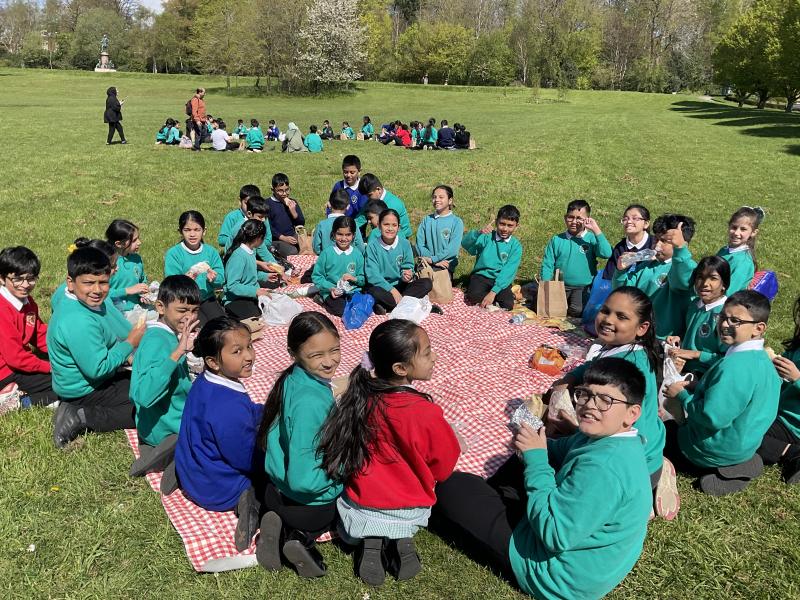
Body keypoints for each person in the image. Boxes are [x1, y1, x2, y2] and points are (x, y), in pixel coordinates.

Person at [432, 357, 652, 600]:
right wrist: (538, 445)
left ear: (632, 413)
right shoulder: (606, 436)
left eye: (605, 400)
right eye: (585, 394)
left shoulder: (605, 469)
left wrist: (536, 458)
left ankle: (493, 510)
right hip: (577, 548)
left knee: (453, 486)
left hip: (557, 574)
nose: (590, 405)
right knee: (516, 464)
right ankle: (501, 504)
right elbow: (559, 449)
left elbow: (555, 536)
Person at [318, 319, 460, 586]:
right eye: (427, 352)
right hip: (408, 507)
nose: (434, 357)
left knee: (365, 521)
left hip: (362, 504)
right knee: (402, 520)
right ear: (400, 368)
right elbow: (443, 465)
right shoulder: (425, 412)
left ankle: (372, 540)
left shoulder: (358, 399)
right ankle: (401, 539)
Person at [551, 287, 675, 513]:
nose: (608, 320)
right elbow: (593, 365)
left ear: (642, 328)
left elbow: (620, 435)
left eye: (622, 317)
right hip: (649, 448)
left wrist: (575, 432)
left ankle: (639, 498)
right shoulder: (627, 350)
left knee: (562, 467)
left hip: (635, 466)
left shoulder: (629, 366)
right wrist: (569, 378)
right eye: (605, 311)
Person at [664, 290, 781, 496]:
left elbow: (711, 418)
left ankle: (715, 470)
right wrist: (698, 386)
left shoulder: (735, 366)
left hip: (711, 449)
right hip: (744, 443)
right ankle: (741, 461)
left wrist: (681, 395)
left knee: (662, 434)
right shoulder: (762, 360)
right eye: (723, 317)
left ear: (758, 328)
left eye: (735, 321)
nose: (725, 324)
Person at [255, 312, 343, 577]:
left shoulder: (292, 378)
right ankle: (298, 536)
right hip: (307, 505)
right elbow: (304, 479)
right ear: (293, 353)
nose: (329, 361)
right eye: (317, 355)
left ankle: (273, 520)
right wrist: (342, 474)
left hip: (275, 489)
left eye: (335, 350)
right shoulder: (311, 403)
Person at [173, 317, 265, 551]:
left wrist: (265, 411)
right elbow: (245, 459)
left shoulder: (204, 381)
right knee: (273, 479)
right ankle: (248, 505)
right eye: (237, 351)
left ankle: (172, 460)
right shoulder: (229, 407)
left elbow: (244, 413)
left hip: (192, 474)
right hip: (218, 488)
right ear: (213, 361)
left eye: (249, 346)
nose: (249, 356)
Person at [48, 247, 146, 448]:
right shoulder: (78, 320)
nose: (97, 289)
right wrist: (129, 344)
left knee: (148, 385)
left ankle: (74, 409)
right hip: (84, 389)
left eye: (103, 282)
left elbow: (110, 336)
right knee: (149, 405)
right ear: (70, 282)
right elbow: (97, 369)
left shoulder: (82, 302)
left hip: (91, 381)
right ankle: (82, 415)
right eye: (88, 283)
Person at [129, 275, 200, 477]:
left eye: (194, 310)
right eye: (182, 310)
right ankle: (176, 463)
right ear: (160, 307)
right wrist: (177, 353)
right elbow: (143, 395)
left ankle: (162, 453)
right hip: (168, 425)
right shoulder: (157, 341)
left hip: (157, 423)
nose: (189, 317)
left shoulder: (165, 335)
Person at [613, 215, 697, 339]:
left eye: (664, 241)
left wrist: (680, 250)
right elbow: (624, 292)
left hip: (663, 339)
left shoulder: (686, 267)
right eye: (656, 239)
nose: (657, 245)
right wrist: (620, 271)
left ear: (681, 242)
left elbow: (682, 282)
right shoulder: (647, 265)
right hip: (636, 331)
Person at [0, 246, 56, 408]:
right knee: (69, 383)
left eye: (31, 279)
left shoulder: (27, 302)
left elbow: (39, 335)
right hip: (5, 372)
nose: (25, 285)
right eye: (17, 279)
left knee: (73, 378)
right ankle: (20, 402)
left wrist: (66, 352)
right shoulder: (2, 309)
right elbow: (16, 358)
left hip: (17, 365)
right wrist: (50, 367)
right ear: (2, 278)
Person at [540, 199, 612, 318]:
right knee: (551, 310)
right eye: (570, 217)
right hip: (560, 285)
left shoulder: (591, 239)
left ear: (587, 219)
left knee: (577, 311)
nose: (574, 222)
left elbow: (607, 253)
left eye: (579, 218)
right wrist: (546, 285)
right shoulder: (557, 240)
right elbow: (548, 263)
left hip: (582, 287)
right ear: (565, 218)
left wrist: (596, 230)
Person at [51, 239, 132, 342]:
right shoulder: (80, 301)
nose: (117, 268)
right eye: (112, 266)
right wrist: (132, 341)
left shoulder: (94, 295)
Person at [758, 294, 800, 483]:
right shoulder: (797, 348)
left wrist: (797, 378)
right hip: (779, 413)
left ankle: (792, 453)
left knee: (747, 434)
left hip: (794, 426)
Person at [665, 256, 730, 376]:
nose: (705, 284)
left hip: (706, 375)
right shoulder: (695, 304)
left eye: (713, 278)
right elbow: (692, 334)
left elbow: (727, 359)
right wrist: (680, 339)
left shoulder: (726, 315)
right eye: (700, 277)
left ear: (724, 284)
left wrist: (695, 354)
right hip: (683, 368)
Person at [164, 211, 226, 326]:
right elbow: (171, 284)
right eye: (187, 230)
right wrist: (184, 281)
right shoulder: (174, 254)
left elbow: (221, 279)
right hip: (185, 301)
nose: (192, 234)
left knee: (222, 325)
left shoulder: (211, 252)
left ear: (204, 231)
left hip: (207, 298)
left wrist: (213, 278)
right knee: (200, 328)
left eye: (197, 230)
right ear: (180, 231)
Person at [365, 209, 432, 315]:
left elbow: (408, 265)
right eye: (386, 224)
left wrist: (407, 274)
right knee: (373, 291)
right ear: (379, 226)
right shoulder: (372, 246)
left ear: (399, 227)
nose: (390, 228)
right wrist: (392, 290)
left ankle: (390, 305)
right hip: (383, 287)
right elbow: (373, 275)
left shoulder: (405, 244)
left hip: (401, 285)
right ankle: (405, 304)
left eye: (394, 225)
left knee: (427, 283)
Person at [462, 205, 523, 310]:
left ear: (516, 226)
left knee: (508, 304)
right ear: (496, 222)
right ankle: (491, 301)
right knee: (472, 296)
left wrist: (493, 292)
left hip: (500, 279)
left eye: (510, 226)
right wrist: (478, 233)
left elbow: (508, 271)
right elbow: (465, 244)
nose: (505, 229)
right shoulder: (487, 237)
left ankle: (492, 298)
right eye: (502, 224)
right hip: (482, 276)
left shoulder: (516, 246)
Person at [311, 216, 366, 317]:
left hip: (352, 291)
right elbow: (317, 276)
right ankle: (322, 299)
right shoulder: (326, 253)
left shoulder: (357, 254)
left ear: (353, 235)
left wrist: (354, 278)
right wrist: (330, 288)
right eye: (340, 234)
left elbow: (363, 278)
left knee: (362, 307)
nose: (344, 238)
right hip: (332, 292)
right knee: (341, 310)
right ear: (333, 234)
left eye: (348, 235)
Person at [106, 219, 156, 323]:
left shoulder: (136, 259)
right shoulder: (108, 264)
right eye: (134, 240)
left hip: (138, 307)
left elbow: (142, 280)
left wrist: (144, 293)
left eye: (138, 238)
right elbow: (103, 294)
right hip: (118, 312)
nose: (139, 242)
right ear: (119, 244)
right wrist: (127, 290)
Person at [222, 220, 273, 320]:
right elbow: (232, 285)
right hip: (235, 299)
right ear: (259, 238)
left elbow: (249, 273)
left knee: (271, 310)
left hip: (249, 296)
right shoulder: (238, 256)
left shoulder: (250, 251)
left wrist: (265, 276)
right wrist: (256, 291)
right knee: (256, 320)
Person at [416, 185, 464, 278]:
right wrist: (432, 260)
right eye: (434, 197)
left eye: (441, 197)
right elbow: (419, 244)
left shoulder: (457, 222)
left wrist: (434, 259)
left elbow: (452, 249)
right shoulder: (426, 220)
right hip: (426, 263)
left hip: (444, 266)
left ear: (450, 200)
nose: (437, 200)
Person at [601, 204, 655, 280]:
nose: (629, 221)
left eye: (635, 218)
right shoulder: (619, 248)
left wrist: (636, 257)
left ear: (646, 224)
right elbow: (610, 278)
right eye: (625, 219)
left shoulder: (656, 243)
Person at [717, 206, 763, 294]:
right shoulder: (724, 250)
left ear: (753, 232)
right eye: (734, 227)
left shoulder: (743, 262)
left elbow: (729, 294)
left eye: (743, 229)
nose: (736, 233)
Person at [358, 174, 412, 239]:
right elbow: (359, 220)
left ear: (378, 190)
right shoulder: (372, 201)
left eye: (369, 195)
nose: (367, 198)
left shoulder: (393, 205)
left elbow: (389, 233)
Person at [313, 190, 365, 255]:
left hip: (328, 260)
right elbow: (361, 248)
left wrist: (324, 255)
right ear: (348, 206)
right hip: (349, 259)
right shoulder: (352, 224)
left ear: (329, 204)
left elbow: (316, 248)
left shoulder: (321, 225)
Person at [268, 173, 306, 256]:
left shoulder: (292, 202)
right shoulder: (268, 204)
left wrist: (294, 213)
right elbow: (269, 227)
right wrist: (284, 238)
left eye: (287, 190)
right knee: (292, 251)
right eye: (280, 191)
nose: (284, 193)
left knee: (309, 244)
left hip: (293, 235)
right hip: (277, 239)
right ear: (273, 190)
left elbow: (301, 223)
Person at [218, 184, 261, 249]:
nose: (250, 207)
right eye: (246, 203)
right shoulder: (232, 217)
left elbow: (268, 240)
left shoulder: (262, 218)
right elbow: (221, 240)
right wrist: (241, 240)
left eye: (254, 204)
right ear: (240, 201)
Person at [330, 155, 369, 224]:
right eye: (345, 172)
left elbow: (365, 212)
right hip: (339, 226)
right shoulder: (338, 186)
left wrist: (353, 225)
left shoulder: (363, 188)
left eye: (352, 172)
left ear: (359, 171)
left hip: (357, 227)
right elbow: (330, 206)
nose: (348, 175)